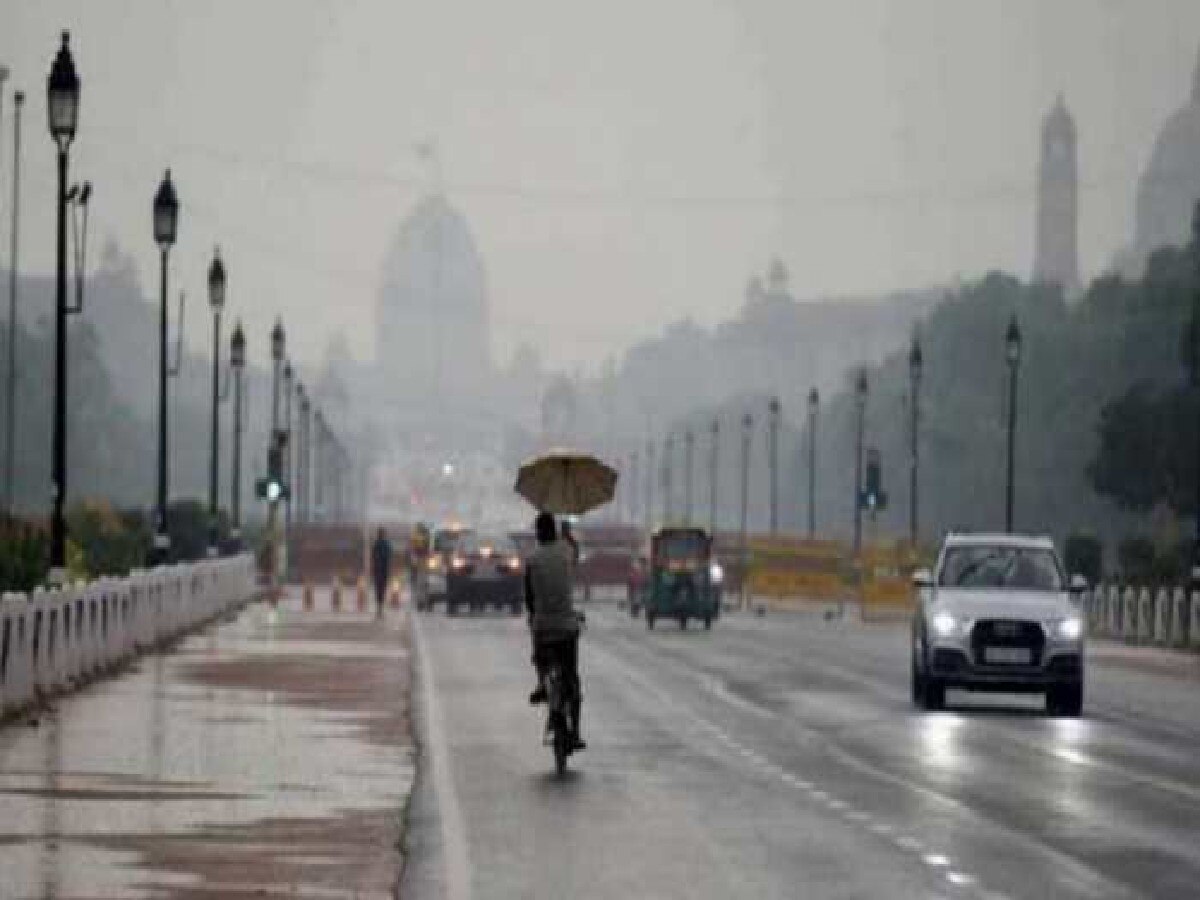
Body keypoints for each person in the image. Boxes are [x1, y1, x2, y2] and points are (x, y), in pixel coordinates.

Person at [524, 512, 585, 751]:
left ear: (538, 534)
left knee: (539, 650)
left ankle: (541, 683)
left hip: (543, 627)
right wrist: (568, 534)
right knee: (573, 679)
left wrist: (535, 613)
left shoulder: (533, 560)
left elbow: (528, 597)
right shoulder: (565, 554)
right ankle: (576, 732)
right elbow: (576, 553)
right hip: (567, 627)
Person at [371, 527, 393, 618]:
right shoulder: (385, 544)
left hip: (379, 570)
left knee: (379, 589)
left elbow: (374, 556)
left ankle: (379, 608)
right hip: (383, 570)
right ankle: (380, 608)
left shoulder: (377, 544)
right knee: (381, 589)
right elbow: (389, 556)